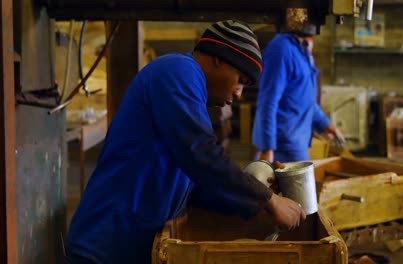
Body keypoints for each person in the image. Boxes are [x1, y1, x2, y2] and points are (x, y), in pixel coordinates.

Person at [65, 20, 305, 264]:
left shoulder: (192, 95)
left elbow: (197, 186)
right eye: (240, 80)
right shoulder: (178, 71)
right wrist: (268, 200)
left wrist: (257, 195)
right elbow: (201, 154)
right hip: (103, 247)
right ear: (219, 58)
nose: (238, 94)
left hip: (128, 247)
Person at [252, 8, 342, 163]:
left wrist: (324, 124)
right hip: (283, 145)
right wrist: (267, 148)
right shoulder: (281, 49)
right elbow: (268, 101)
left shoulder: (301, 49)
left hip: (296, 141)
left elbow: (303, 98)